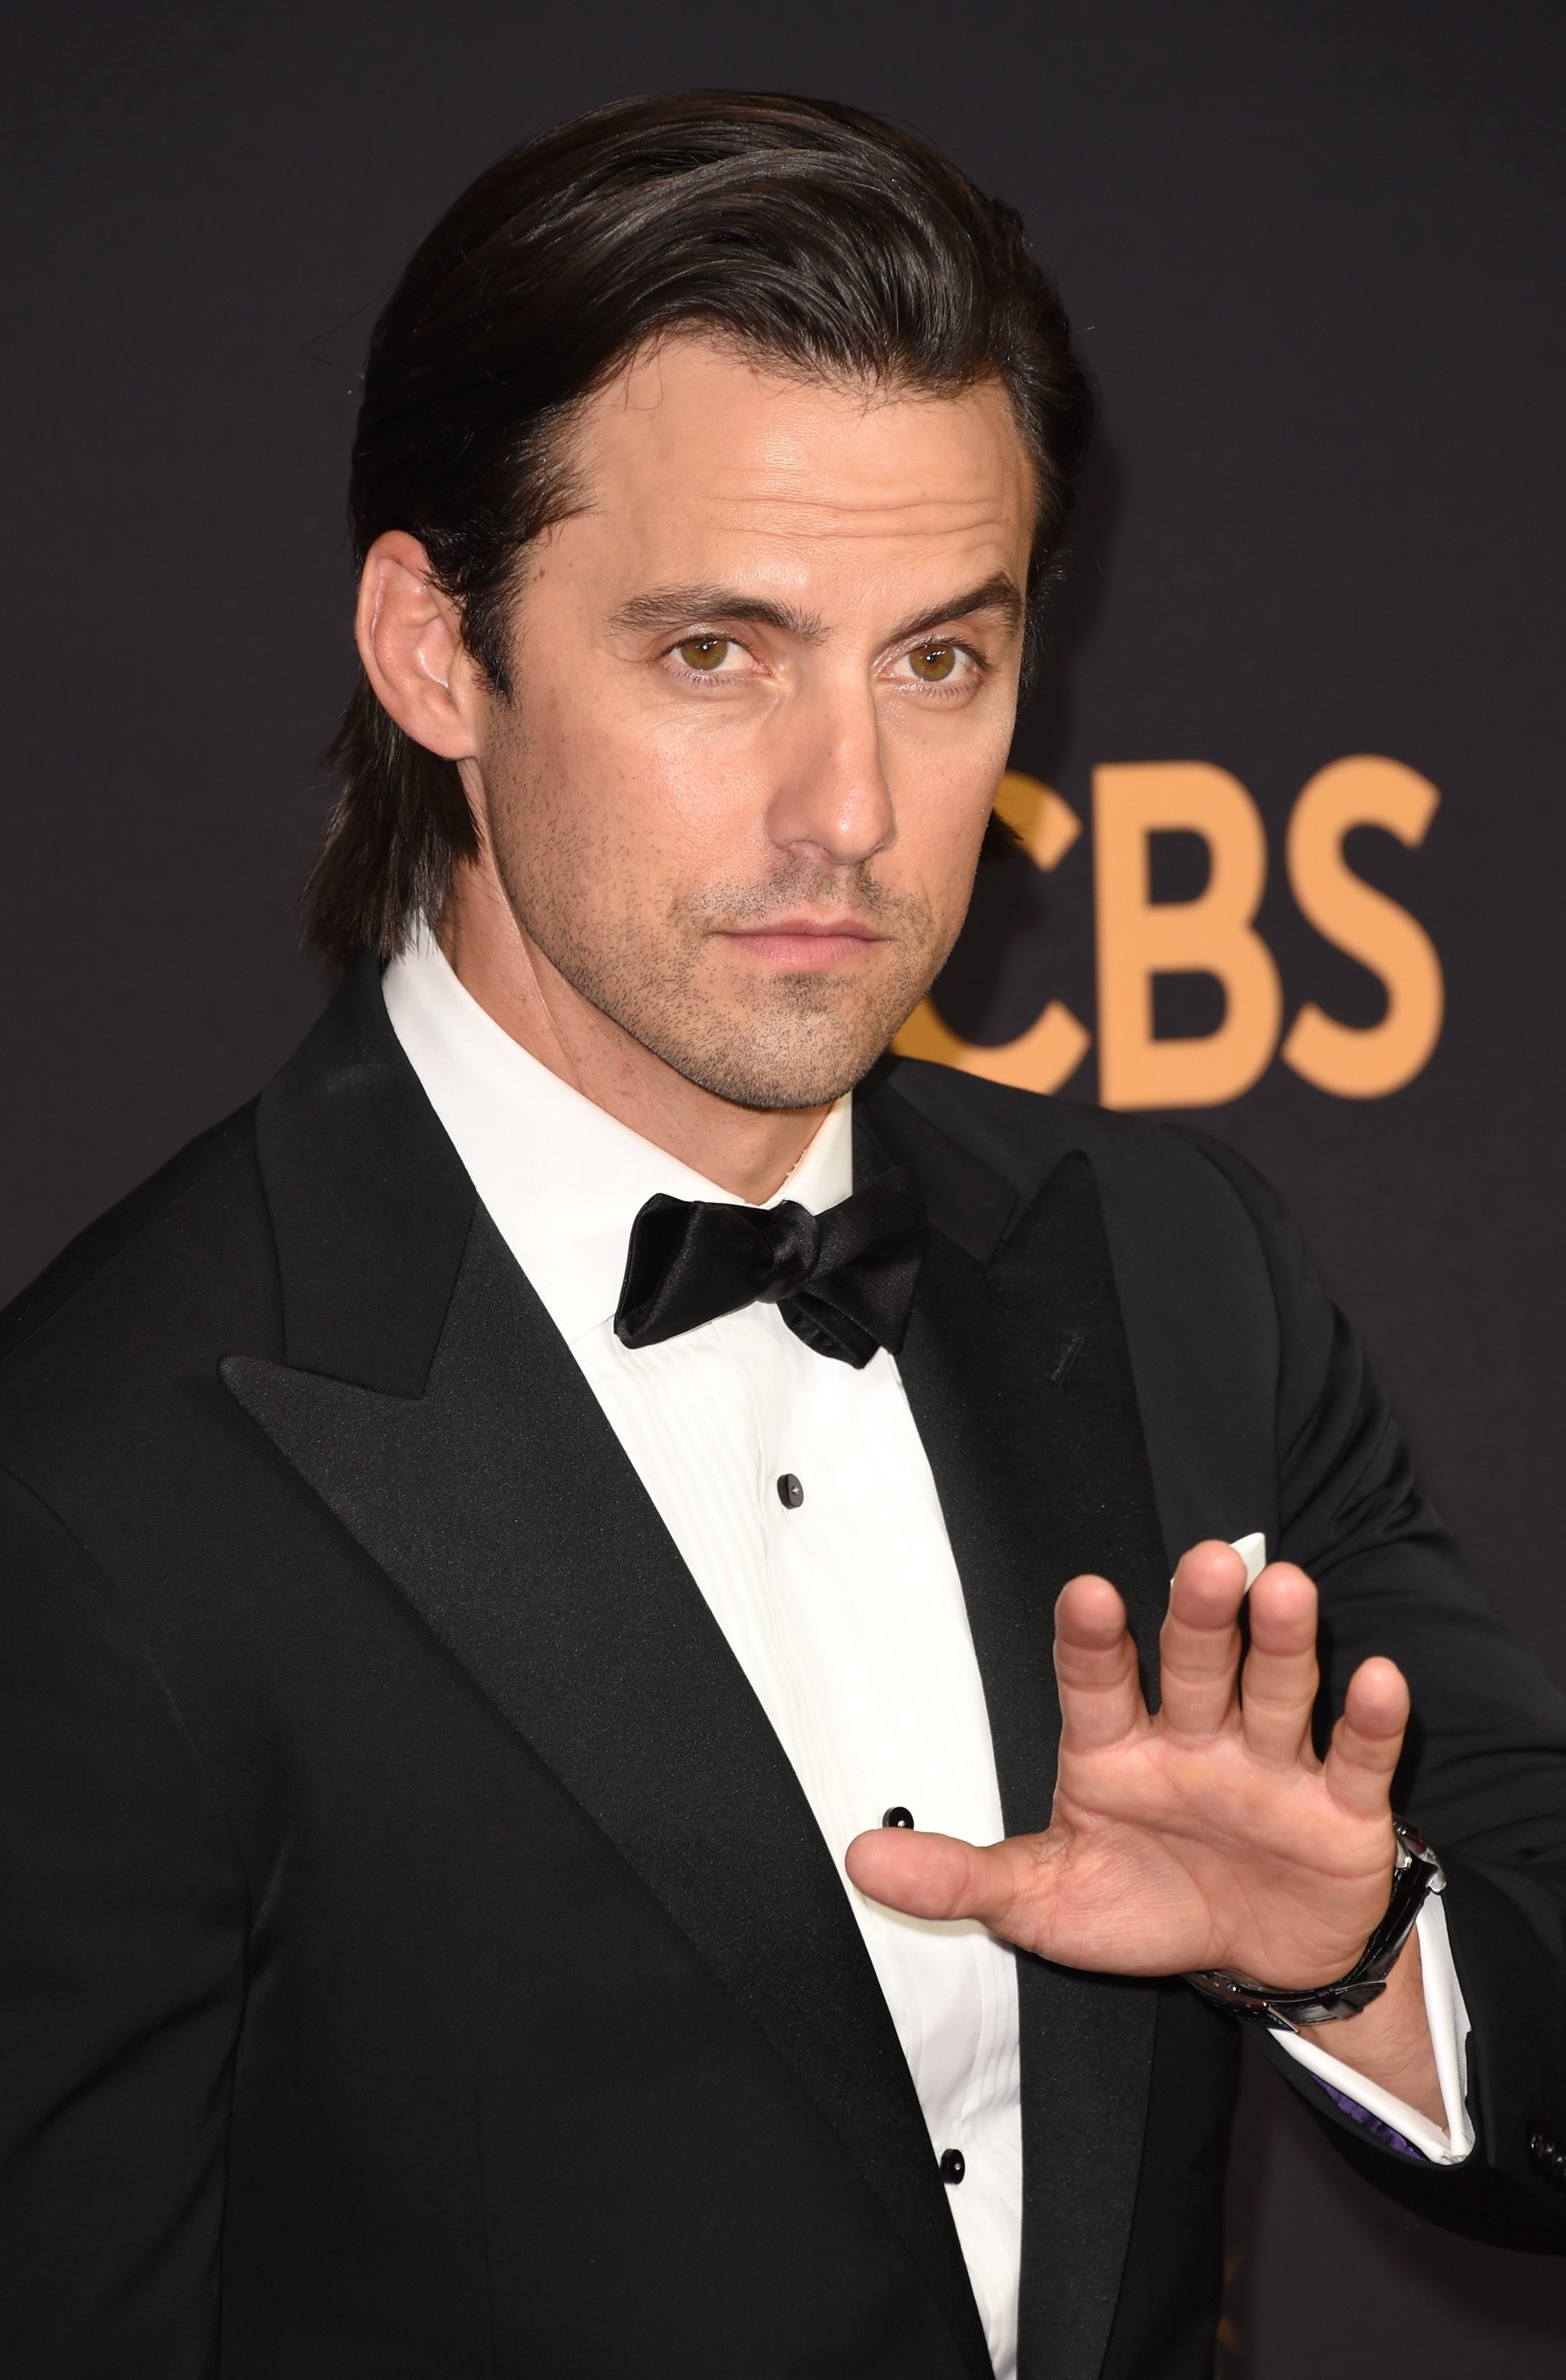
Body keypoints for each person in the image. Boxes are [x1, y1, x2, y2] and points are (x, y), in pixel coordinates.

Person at [1, 89, 1563, 2380]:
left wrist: (1358, 1961)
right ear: (436, 648)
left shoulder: (1173, 1265)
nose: (853, 812)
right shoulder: (92, 1491)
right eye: (718, 652)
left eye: (939, 659)